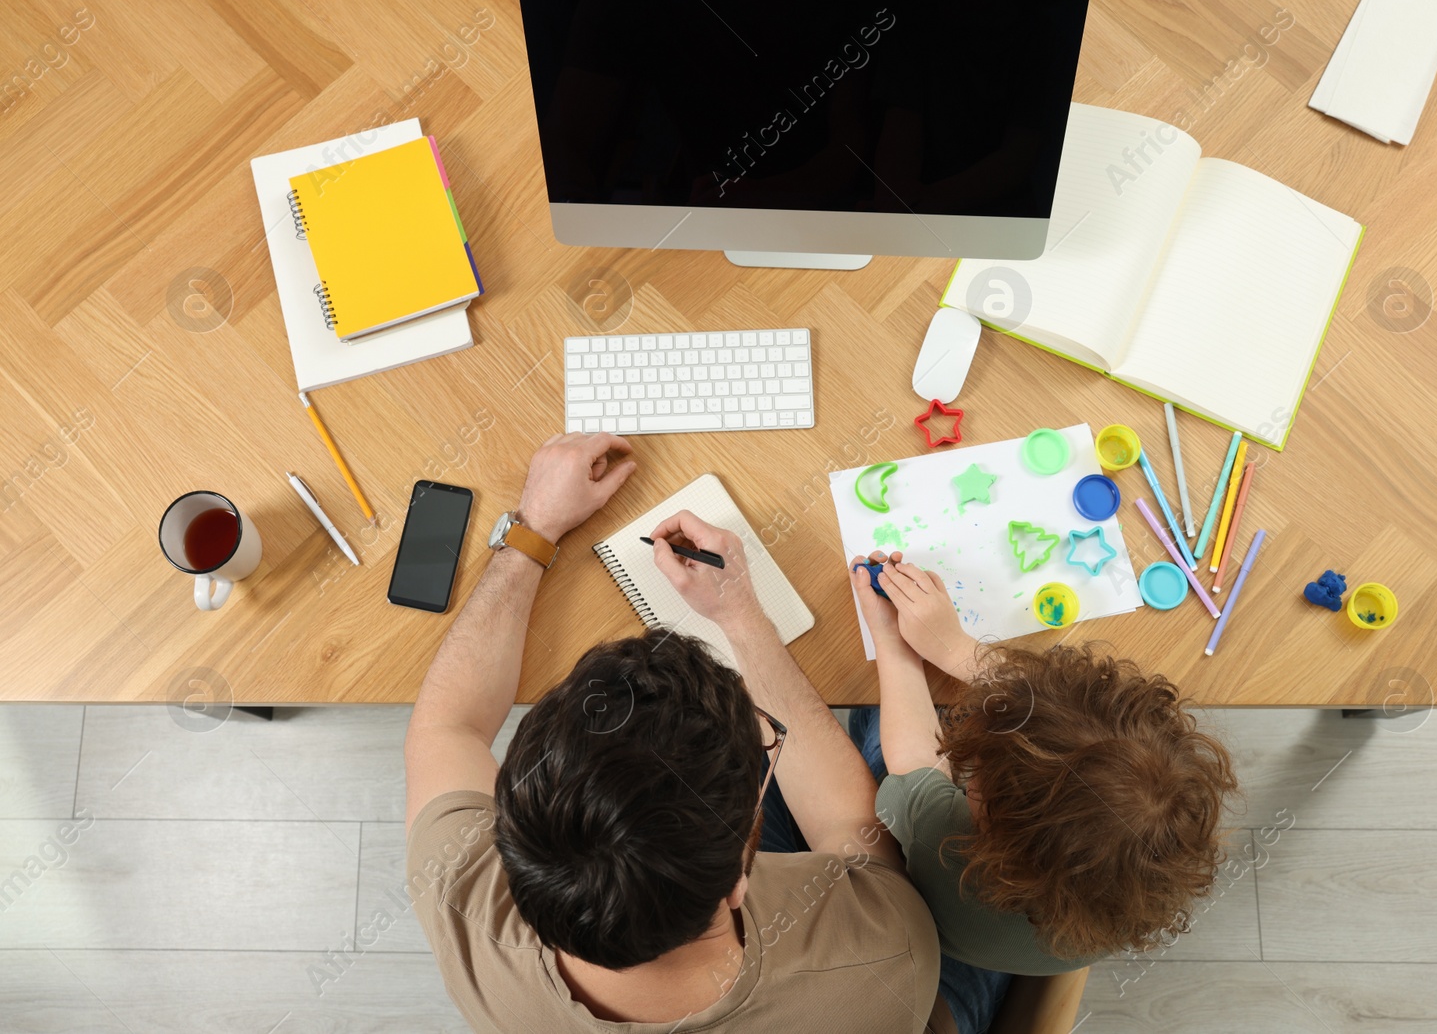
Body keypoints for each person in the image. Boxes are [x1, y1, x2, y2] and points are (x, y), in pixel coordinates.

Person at [403, 433, 950, 1033]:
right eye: (764, 738)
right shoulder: (881, 956)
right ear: (742, 879)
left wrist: (534, 529)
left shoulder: (463, 902)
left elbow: (447, 726)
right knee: (922, 733)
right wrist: (743, 616)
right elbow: (854, 833)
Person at [846, 548, 1240, 982]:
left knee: (872, 717)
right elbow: (1058, 721)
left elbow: (914, 764)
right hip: (1028, 951)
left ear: (992, 823)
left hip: (939, 937)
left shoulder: (945, 842)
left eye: (979, 765)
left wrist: (889, 639)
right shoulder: (1142, 877)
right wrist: (954, 648)